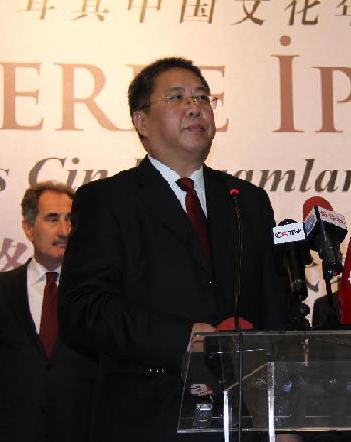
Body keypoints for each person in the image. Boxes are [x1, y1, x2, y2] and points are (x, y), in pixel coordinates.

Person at [57, 57, 290, 442]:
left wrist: (283, 417)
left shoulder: (245, 200)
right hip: (148, 418)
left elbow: (273, 309)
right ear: (141, 122)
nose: (195, 107)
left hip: (241, 420)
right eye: (177, 97)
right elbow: (84, 308)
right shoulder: (108, 200)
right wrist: (178, 338)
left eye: (203, 97)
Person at [0, 181, 97, 442]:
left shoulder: (98, 295)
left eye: (70, 220)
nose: (64, 231)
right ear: (28, 228)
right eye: (52, 219)